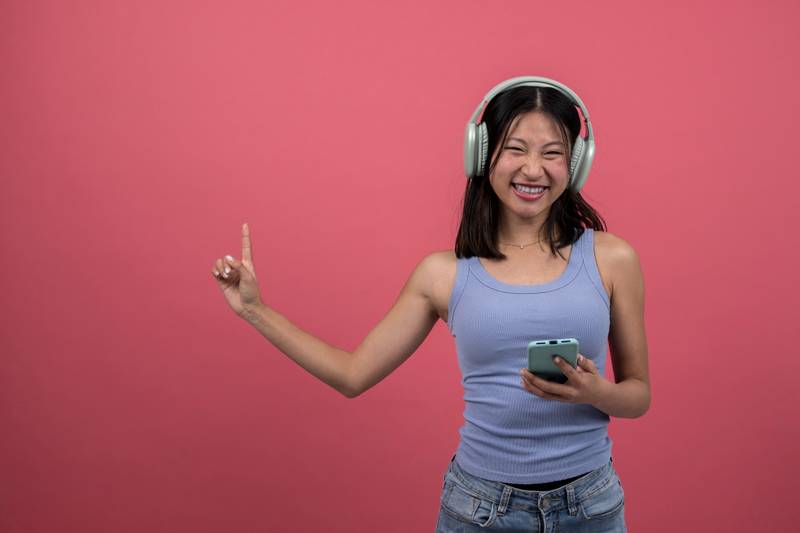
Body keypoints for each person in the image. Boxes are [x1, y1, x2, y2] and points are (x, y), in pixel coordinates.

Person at [210, 76, 649, 532]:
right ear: (481, 155)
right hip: (481, 509)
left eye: (552, 153)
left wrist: (596, 393)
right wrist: (254, 310)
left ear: (576, 163)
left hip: (590, 507)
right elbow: (352, 375)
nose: (533, 170)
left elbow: (638, 395)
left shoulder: (612, 259)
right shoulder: (442, 275)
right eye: (515, 149)